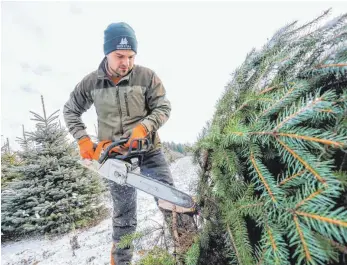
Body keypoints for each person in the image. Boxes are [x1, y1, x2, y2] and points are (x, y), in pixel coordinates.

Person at [63, 22, 195, 265]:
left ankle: (192, 253)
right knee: (123, 217)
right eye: (119, 56)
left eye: (131, 56)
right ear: (107, 53)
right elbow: (71, 110)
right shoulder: (91, 83)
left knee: (172, 203)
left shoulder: (147, 76)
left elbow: (163, 107)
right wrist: (82, 139)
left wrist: (145, 126)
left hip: (149, 151)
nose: (126, 62)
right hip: (115, 158)